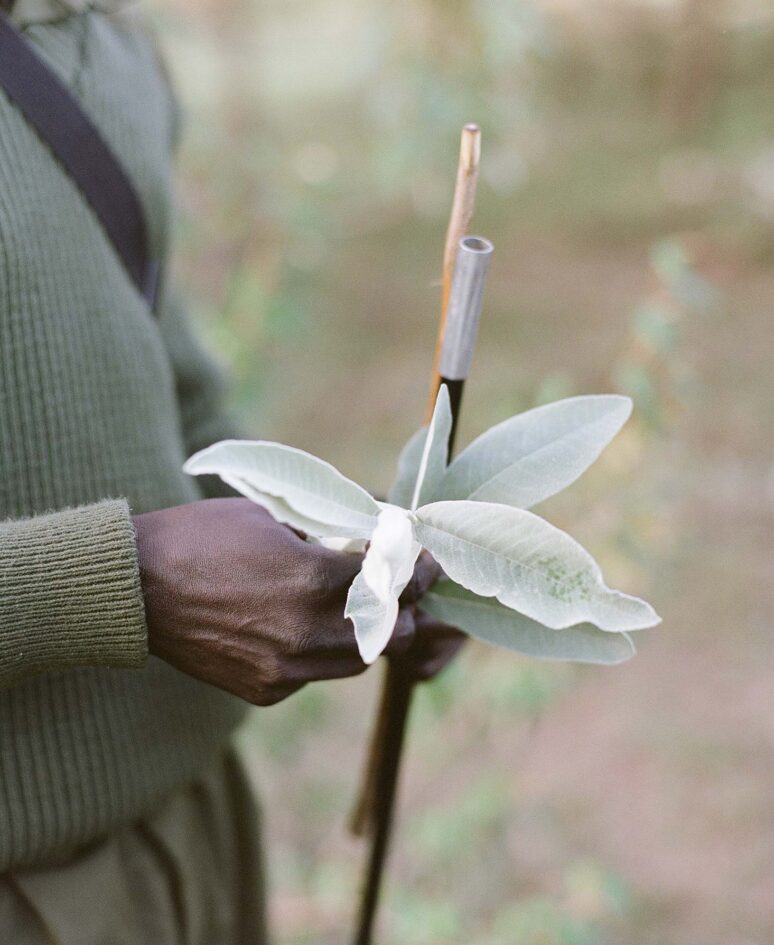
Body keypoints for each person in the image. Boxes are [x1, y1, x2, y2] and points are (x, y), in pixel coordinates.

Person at [0, 1, 463, 941]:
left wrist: (346, 553)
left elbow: (170, 387)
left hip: (191, 834)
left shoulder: (94, 39)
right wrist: (121, 580)